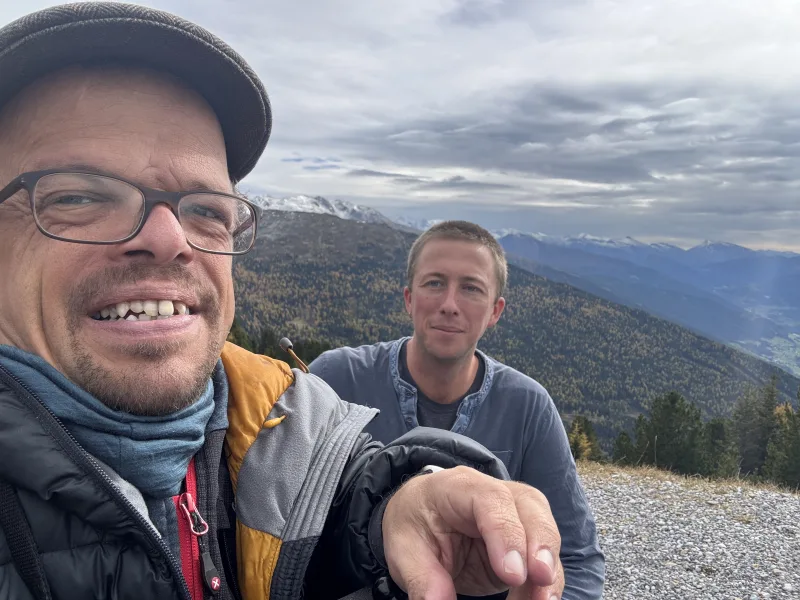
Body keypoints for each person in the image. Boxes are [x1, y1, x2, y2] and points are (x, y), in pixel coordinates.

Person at [0, 3, 567, 600]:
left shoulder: (284, 427)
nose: (169, 240)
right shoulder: (338, 377)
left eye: (206, 209)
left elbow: (345, 500)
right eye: (79, 197)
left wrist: (398, 511)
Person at [309, 221, 605, 599]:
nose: (449, 305)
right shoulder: (335, 379)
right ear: (408, 298)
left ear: (495, 311)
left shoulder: (528, 406)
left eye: (471, 288)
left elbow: (578, 557)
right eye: (434, 283)